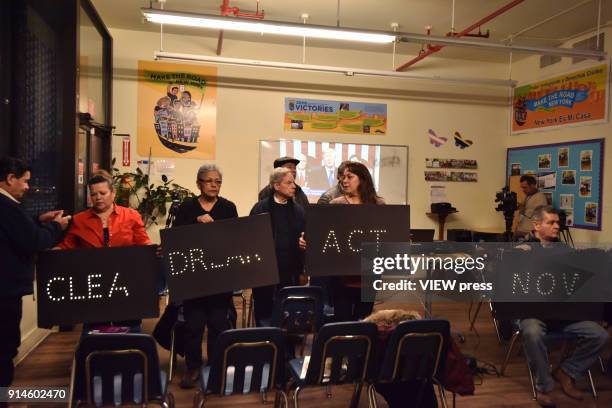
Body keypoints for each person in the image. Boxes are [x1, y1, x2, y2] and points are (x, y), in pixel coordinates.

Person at [518, 205, 608, 407]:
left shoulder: (566, 250)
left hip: (563, 314)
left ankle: (567, 372)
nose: (557, 226)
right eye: (551, 222)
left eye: (558, 222)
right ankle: (544, 387)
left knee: (599, 335)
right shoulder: (521, 249)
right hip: (534, 314)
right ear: (536, 225)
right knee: (532, 332)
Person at [0, 157, 70, 390]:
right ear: (10, 179)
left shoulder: (9, 208)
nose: (28, 187)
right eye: (25, 181)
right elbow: (33, 240)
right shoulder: (6, 206)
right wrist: (55, 227)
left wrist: (38, 219)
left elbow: (17, 229)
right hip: (5, 292)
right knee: (5, 348)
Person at [58, 170, 153, 334]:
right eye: (94, 194)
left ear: (113, 193)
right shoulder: (79, 220)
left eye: (102, 193)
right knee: (95, 330)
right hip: (94, 286)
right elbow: (66, 248)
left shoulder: (131, 216)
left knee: (129, 328)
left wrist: (153, 249)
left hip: (125, 283)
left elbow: (143, 243)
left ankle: (130, 357)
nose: (98, 197)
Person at [172, 164, 237, 389]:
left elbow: (234, 239)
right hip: (194, 279)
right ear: (199, 183)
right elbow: (176, 239)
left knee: (219, 324)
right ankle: (193, 368)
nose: (214, 185)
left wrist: (215, 226)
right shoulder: (187, 209)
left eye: (218, 181)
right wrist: (196, 223)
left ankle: (217, 366)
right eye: (209, 181)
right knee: (193, 326)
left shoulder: (228, 208)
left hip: (220, 277)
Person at [330, 161, 384, 321]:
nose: (344, 181)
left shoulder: (378, 204)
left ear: (362, 178)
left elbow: (384, 235)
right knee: (342, 319)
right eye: (342, 178)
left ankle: (363, 346)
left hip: (369, 272)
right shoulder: (336, 205)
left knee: (365, 319)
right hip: (341, 272)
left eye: (349, 177)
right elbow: (326, 235)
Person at [250, 167, 305, 326]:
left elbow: (304, 239)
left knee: (288, 310)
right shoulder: (260, 208)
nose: (294, 186)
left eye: (293, 182)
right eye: (289, 183)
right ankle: (264, 342)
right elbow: (251, 239)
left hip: (290, 271)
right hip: (264, 271)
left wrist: (302, 270)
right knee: (264, 310)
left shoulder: (298, 211)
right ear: (276, 186)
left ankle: (286, 345)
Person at [515, 175, 548, 240]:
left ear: (533, 185)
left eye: (525, 187)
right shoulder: (528, 196)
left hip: (528, 237)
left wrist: (526, 234)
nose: (523, 190)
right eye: (522, 188)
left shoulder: (540, 198)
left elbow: (540, 223)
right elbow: (524, 210)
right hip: (521, 233)